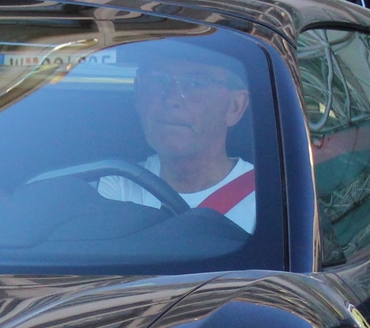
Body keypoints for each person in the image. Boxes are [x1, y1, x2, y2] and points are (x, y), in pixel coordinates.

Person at [94, 43, 258, 231]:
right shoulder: (116, 185)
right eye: (158, 80)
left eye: (196, 84)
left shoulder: (271, 201)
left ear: (234, 107)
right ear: (139, 95)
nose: (171, 99)